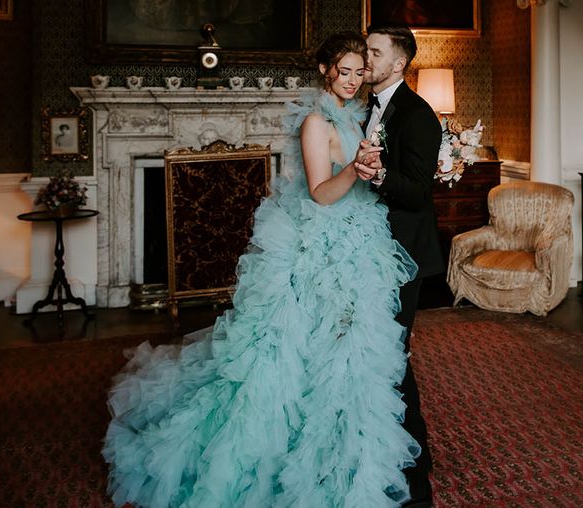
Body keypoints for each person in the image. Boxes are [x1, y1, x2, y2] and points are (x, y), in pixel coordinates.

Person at [102, 31, 421, 507]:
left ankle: (343, 455)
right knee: (292, 353)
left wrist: (374, 169)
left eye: (359, 71)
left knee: (346, 357)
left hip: (357, 242)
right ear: (324, 70)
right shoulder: (315, 122)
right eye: (344, 70)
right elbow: (320, 193)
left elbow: (363, 179)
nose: (353, 79)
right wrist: (356, 169)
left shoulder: (357, 114)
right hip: (319, 247)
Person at [363, 23, 445, 508]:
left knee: (392, 351)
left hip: (402, 253)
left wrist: (376, 176)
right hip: (366, 248)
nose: (365, 58)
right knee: (370, 350)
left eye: (374, 52)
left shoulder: (418, 116)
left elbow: (417, 190)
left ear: (399, 62)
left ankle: (416, 465)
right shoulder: (363, 107)